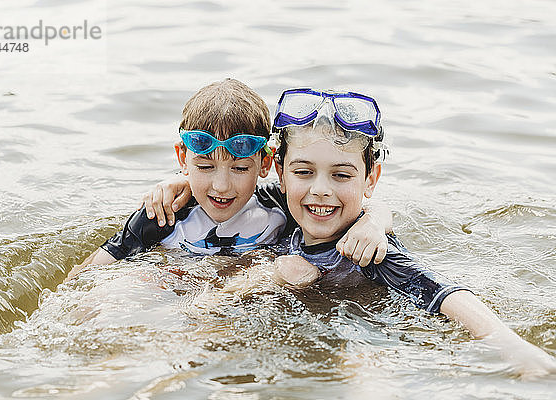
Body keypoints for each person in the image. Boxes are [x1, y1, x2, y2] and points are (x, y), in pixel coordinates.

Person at [145, 87, 556, 378]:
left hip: (366, 338)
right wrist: (180, 183)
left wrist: (513, 346)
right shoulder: (285, 213)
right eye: (304, 172)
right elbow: (228, 187)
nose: (320, 190)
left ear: (370, 178)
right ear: (281, 174)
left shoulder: (365, 247)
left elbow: (441, 291)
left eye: (341, 175)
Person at [65, 79, 391, 281]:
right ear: (183, 159)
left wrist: (373, 223)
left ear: (265, 163)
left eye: (239, 168)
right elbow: (90, 272)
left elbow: (356, 207)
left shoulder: (281, 206)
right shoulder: (164, 214)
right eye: (205, 167)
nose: (221, 186)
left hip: (237, 300)